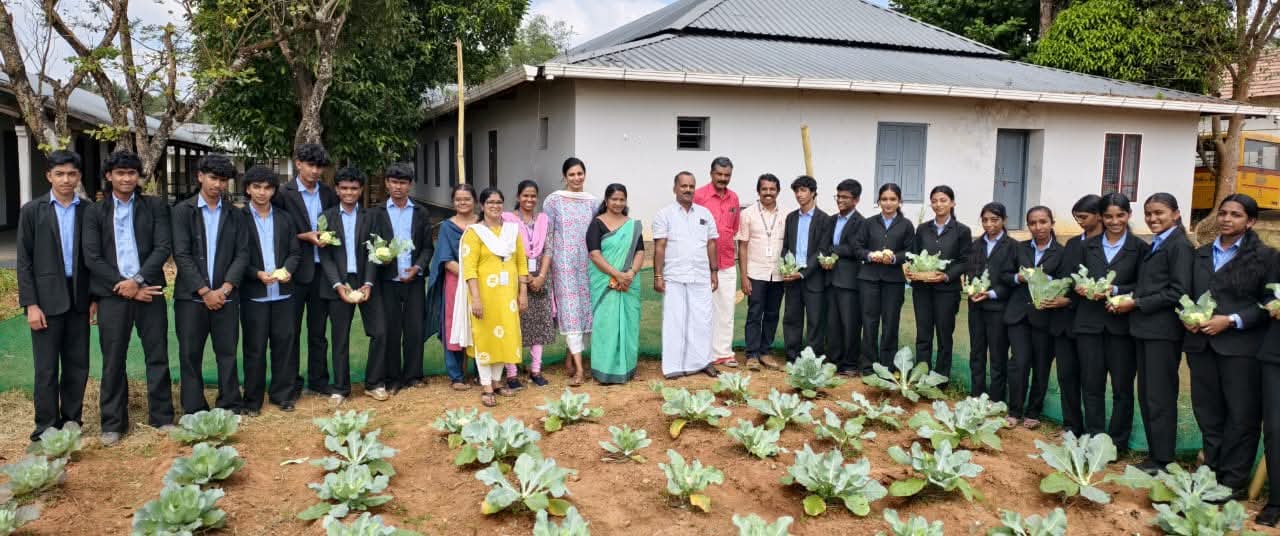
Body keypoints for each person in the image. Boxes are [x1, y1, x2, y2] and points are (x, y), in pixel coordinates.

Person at [82, 150, 173, 444]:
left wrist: (136, 281)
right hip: (113, 296)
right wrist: (123, 285)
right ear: (109, 176)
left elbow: (162, 247)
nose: (126, 178)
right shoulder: (95, 212)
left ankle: (162, 417)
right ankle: (113, 423)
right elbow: (92, 257)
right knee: (113, 360)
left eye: (131, 173)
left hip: (149, 291)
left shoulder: (155, 207)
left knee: (157, 356)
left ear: (138, 177)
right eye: (120, 173)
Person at [1183, 193, 1271, 499]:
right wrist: (1188, 316)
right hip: (1201, 346)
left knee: (1242, 415)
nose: (1227, 219)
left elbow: (1269, 304)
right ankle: (1212, 474)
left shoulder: (1266, 257)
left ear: (1250, 221)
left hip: (1241, 349)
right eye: (1223, 213)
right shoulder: (1201, 254)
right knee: (1208, 413)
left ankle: (1233, 482)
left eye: (1236, 214)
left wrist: (1231, 319)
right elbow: (1188, 294)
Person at [1112, 193, 1191, 473]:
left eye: (1159, 213)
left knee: (1159, 396)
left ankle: (1163, 459)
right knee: (1147, 395)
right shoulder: (1158, 244)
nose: (1153, 218)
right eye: (1148, 213)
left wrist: (1137, 303)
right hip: (1145, 331)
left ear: (1176, 214)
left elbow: (1178, 291)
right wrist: (1125, 295)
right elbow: (1150, 285)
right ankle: (1156, 456)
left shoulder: (1179, 245)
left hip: (1163, 332)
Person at [18, 149, 93, 442]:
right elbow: (23, 262)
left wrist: (94, 298)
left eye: (71, 174)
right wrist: (31, 304)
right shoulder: (32, 211)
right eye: (59, 174)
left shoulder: (89, 211)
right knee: (46, 369)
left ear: (79, 177)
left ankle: (72, 419)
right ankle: (46, 426)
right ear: (48, 176)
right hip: (45, 301)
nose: (66, 179)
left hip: (79, 298)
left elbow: (94, 258)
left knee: (77, 365)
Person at [172, 154, 249, 414]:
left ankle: (229, 405)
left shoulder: (235, 215)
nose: (218, 184)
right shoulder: (183, 211)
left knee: (227, 354)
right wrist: (204, 291)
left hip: (226, 297)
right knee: (190, 356)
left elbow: (242, 254)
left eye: (223, 180)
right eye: (213, 178)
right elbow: (181, 254)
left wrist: (225, 289)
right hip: (191, 299)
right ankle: (194, 410)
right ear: (200, 177)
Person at [1074, 192, 1147, 454]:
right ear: (1101, 217)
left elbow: (1142, 286)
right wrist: (1082, 287)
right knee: (1091, 385)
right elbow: (1075, 278)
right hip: (1089, 325)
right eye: (1108, 216)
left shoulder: (1140, 249)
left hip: (1121, 328)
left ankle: (1117, 442)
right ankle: (1095, 439)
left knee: (1122, 388)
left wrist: (1115, 290)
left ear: (1128, 215)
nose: (1114, 221)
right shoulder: (1086, 247)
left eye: (1120, 215)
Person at [272, 143, 338, 401]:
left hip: (323, 271)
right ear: (298, 163)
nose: (314, 171)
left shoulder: (328, 193)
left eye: (319, 166)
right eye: (310, 165)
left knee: (318, 332)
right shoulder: (282, 194)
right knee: (290, 332)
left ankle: (318, 381)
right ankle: (291, 384)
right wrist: (305, 236)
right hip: (294, 272)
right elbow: (278, 232)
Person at [238, 166, 301, 416]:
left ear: (274, 190)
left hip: (284, 294)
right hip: (255, 294)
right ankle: (252, 400)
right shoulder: (239, 218)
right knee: (254, 348)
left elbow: (295, 253)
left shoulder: (285, 218)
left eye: (267, 188)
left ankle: (282, 395)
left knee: (284, 345)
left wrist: (287, 269)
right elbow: (236, 256)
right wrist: (256, 274)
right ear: (248, 189)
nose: (262, 192)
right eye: (256, 187)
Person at [318, 167, 384, 407]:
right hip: (338, 283)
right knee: (340, 337)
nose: (349, 192)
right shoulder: (326, 217)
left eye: (354, 188)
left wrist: (368, 283)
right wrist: (337, 284)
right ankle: (341, 388)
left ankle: (374, 383)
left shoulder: (371, 217)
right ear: (337, 189)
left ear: (361, 190)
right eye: (344, 188)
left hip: (366, 281)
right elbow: (324, 256)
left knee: (379, 332)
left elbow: (375, 252)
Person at [460, 188, 529, 407]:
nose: (495, 206)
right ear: (482, 205)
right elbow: (469, 269)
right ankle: (486, 386)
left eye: (499, 202)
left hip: (507, 296)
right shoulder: (475, 233)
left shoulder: (511, 231)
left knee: (504, 336)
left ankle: (497, 382)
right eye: (490, 202)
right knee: (485, 337)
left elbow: (521, 263)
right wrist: (476, 299)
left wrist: (523, 292)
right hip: (484, 295)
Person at [372, 163, 432, 397]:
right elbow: (372, 246)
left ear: (410, 185)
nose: (398, 187)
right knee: (391, 329)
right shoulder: (376, 213)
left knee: (415, 329)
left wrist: (417, 267)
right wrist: (381, 258)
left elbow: (427, 247)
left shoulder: (420, 212)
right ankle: (392, 378)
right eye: (394, 182)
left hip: (414, 280)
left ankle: (414, 375)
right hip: (387, 281)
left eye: (403, 182)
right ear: (387, 183)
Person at [1046, 194, 1104, 435]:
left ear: (1099, 215)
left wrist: (1069, 300)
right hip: (1064, 322)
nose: (1079, 221)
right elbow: (1066, 277)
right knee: (1066, 376)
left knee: (1090, 380)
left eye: (1084, 217)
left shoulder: (1105, 245)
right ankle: (1071, 425)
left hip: (1090, 322)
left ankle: (1094, 431)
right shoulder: (1071, 244)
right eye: (1076, 217)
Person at [654, 171, 720, 379]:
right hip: (674, 276)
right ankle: (674, 366)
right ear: (675, 188)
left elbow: (711, 243)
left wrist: (714, 270)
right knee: (675, 321)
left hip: (700, 275)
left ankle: (703, 361)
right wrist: (657, 276)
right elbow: (660, 247)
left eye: (691, 186)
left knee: (702, 320)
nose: (688, 190)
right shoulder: (664, 214)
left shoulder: (704, 214)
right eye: (683, 186)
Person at [1004, 206, 1063, 429]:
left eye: (1043, 222)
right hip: (1019, 314)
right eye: (1033, 223)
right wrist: (1018, 278)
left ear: (1051, 222)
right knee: (1019, 362)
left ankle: (1033, 412)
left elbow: (1066, 281)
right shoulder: (1018, 248)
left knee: (1041, 364)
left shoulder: (1062, 252)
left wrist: (1048, 282)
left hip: (1045, 315)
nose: (1038, 227)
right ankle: (1014, 410)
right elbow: (1004, 275)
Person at [908, 185, 971, 379]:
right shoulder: (923, 229)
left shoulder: (962, 231)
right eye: (934, 200)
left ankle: (940, 377)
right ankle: (921, 374)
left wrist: (946, 276)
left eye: (943, 200)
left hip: (947, 290)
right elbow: (915, 256)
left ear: (952, 203)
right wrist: (912, 270)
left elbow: (964, 261)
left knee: (944, 335)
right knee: (923, 334)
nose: (938, 204)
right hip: (922, 289)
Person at [544, 157, 596, 385]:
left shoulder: (594, 202)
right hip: (563, 265)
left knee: (587, 311)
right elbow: (548, 234)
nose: (576, 178)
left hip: (588, 264)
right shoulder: (554, 201)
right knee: (570, 312)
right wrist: (548, 264)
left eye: (580, 174)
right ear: (565, 177)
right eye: (572, 174)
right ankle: (579, 370)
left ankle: (571, 356)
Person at [587, 183, 645, 384]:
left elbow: (640, 251)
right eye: (614, 199)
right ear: (606, 200)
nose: (618, 203)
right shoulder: (597, 223)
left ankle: (627, 368)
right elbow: (594, 254)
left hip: (628, 282)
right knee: (606, 325)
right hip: (605, 282)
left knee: (628, 325)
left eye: (622, 199)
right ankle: (604, 370)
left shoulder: (632, 226)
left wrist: (630, 273)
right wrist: (616, 275)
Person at [853, 183, 914, 369]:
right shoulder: (868, 223)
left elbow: (911, 251)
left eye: (892, 199)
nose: (888, 203)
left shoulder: (906, 225)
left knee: (890, 323)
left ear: (900, 201)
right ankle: (868, 365)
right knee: (869, 322)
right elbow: (857, 247)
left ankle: (888, 366)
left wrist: (895, 257)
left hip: (893, 281)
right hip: (868, 279)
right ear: (878, 201)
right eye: (884, 199)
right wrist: (870, 255)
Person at [502, 180, 554, 388]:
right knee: (514, 323)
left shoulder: (543, 220)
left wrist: (540, 276)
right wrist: (526, 278)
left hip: (541, 277)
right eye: (525, 195)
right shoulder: (507, 220)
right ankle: (512, 373)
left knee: (538, 324)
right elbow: (506, 250)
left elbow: (548, 249)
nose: (529, 199)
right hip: (516, 277)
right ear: (517, 197)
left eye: (533, 196)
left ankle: (535, 370)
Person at [426, 184, 479, 391]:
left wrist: (478, 277)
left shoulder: (481, 224)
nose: (463, 202)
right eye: (458, 199)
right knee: (453, 325)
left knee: (479, 323)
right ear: (453, 202)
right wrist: (470, 274)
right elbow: (446, 259)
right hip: (455, 282)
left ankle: (480, 372)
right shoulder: (447, 227)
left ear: (474, 200)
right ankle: (456, 375)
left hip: (481, 284)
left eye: (467, 198)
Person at [965, 202, 1017, 402]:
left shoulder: (1012, 247)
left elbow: (1011, 279)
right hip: (976, 306)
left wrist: (992, 293)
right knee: (976, 352)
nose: (989, 224)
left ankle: (996, 399)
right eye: (985, 220)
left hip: (998, 308)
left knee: (998, 355)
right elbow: (971, 272)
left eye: (994, 220)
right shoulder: (976, 245)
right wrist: (972, 290)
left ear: (1004, 221)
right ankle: (976, 395)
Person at [693, 156, 741, 368]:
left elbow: (734, 228)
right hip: (702, 264)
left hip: (728, 262)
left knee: (726, 309)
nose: (723, 179)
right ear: (711, 173)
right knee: (702, 310)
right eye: (719, 174)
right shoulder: (699, 196)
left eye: (727, 175)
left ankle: (724, 353)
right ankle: (702, 354)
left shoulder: (734, 199)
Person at [736, 174, 786, 371]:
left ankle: (765, 352)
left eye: (772, 189)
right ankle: (752, 354)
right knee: (755, 313)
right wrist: (744, 276)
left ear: (778, 192)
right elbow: (743, 247)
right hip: (755, 273)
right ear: (758, 191)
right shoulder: (747, 214)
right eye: (764, 189)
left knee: (773, 313)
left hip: (778, 273)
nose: (768, 193)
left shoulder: (786, 214)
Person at [781, 175, 829, 361]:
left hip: (813, 277)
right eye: (796, 191)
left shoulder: (824, 219)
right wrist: (787, 267)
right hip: (791, 276)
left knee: (815, 320)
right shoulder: (791, 218)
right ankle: (792, 356)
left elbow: (822, 250)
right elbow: (785, 246)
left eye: (803, 190)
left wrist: (802, 273)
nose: (799, 195)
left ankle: (812, 358)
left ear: (813, 193)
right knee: (792, 318)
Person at [825, 179, 864, 375]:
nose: (840, 200)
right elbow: (825, 244)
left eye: (845, 197)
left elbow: (854, 249)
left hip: (849, 281)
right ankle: (834, 361)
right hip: (830, 278)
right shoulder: (832, 220)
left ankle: (850, 364)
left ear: (856, 200)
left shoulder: (861, 223)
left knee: (850, 324)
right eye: (838, 196)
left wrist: (833, 250)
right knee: (833, 324)